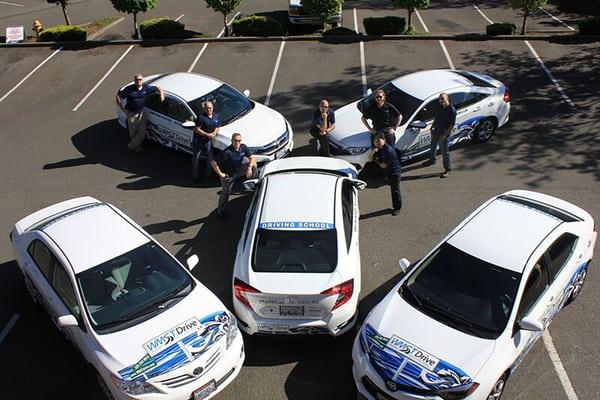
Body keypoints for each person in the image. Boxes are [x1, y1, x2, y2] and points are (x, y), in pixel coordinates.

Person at [211, 133, 257, 217]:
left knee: (254, 165)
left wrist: (249, 168)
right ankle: (220, 211)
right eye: (235, 140)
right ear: (231, 141)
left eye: (239, 141)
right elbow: (213, 162)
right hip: (229, 175)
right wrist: (221, 174)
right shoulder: (227, 152)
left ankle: (254, 183)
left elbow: (252, 157)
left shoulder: (243, 147)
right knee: (226, 193)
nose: (237, 143)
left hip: (238, 170)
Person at [116, 73, 164, 153]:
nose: (138, 81)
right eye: (136, 80)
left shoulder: (146, 88)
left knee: (142, 132)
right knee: (133, 132)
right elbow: (119, 95)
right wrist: (122, 108)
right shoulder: (129, 89)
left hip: (141, 113)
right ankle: (137, 148)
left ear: (142, 80)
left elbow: (158, 87)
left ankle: (131, 146)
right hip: (131, 113)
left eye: (140, 79)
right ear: (134, 81)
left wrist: (162, 95)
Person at [368, 132, 402, 216]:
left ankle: (397, 208)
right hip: (387, 172)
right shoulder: (379, 148)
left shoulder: (388, 151)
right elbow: (369, 160)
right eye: (376, 141)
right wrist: (372, 152)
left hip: (394, 173)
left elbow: (383, 165)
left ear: (384, 140)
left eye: (379, 140)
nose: (377, 142)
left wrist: (376, 161)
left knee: (395, 191)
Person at [425, 92, 456, 178]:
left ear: (447, 98)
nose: (440, 100)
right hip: (436, 131)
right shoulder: (440, 107)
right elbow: (437, 118)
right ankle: (432, 160)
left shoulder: (451, 110)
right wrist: (432, 127)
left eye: (442, 98)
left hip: (443, 134)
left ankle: (448, 169)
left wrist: (445, 135)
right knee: (433, 146)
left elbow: (452, 125)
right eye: (439, 99)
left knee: (444, 152)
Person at [192, 100, 220, 180]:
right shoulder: (201, 118)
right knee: (196, 159)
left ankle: (208, 175)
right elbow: (197, 129)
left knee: (210, 159)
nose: (209, 110)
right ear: (204, 109)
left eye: (210, 108)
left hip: (208, 142)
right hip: (198, 142)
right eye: (207, 108)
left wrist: (214, 132)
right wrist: (208, 135)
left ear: (213, 108)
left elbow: (218, 126)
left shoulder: (216, 116)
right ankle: (195, 176)